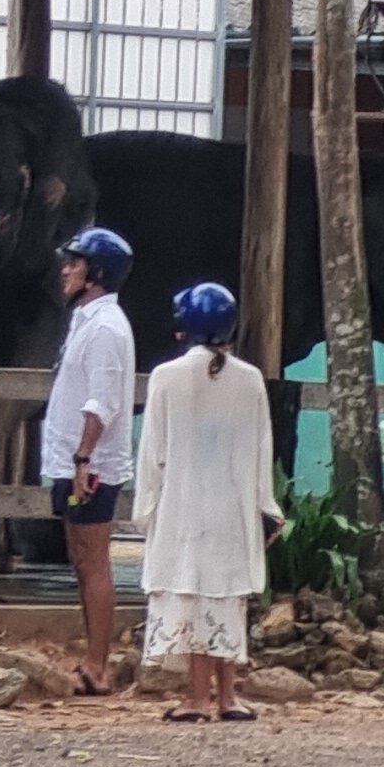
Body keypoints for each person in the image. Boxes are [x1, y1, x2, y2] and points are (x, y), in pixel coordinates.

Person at [133, 281, 282, 723]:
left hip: (182, 507)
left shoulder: (166, 377)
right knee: (225, 597)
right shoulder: (251, 380)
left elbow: (152, 454)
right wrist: (266, 506)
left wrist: (146, 510)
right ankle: (228, 697)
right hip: (231, 509)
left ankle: (197, 699)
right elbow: (262, 449)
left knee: (192, 594)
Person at [41, 225, 138, 695]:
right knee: (81, 561)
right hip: (73, 460)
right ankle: (91, 657)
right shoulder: (87, 320)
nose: (66, 270)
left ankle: (99, 665)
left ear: (96, 274)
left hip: (90, 466)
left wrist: (84, 458)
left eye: (75, 264)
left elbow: (102, 402)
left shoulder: (104, 328)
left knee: (94, 561)